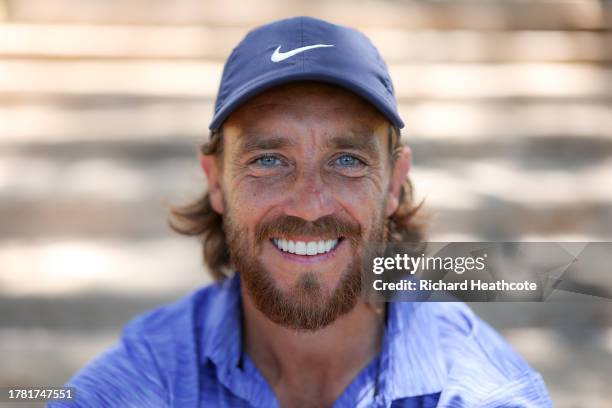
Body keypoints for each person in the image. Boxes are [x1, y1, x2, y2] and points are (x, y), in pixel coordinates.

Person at [49, 16, 551, 408]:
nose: (309, 205)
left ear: (394, 183)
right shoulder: (152, 373)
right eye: (269, 160)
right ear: (215, 181)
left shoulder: (481, 391)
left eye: (347, 161)